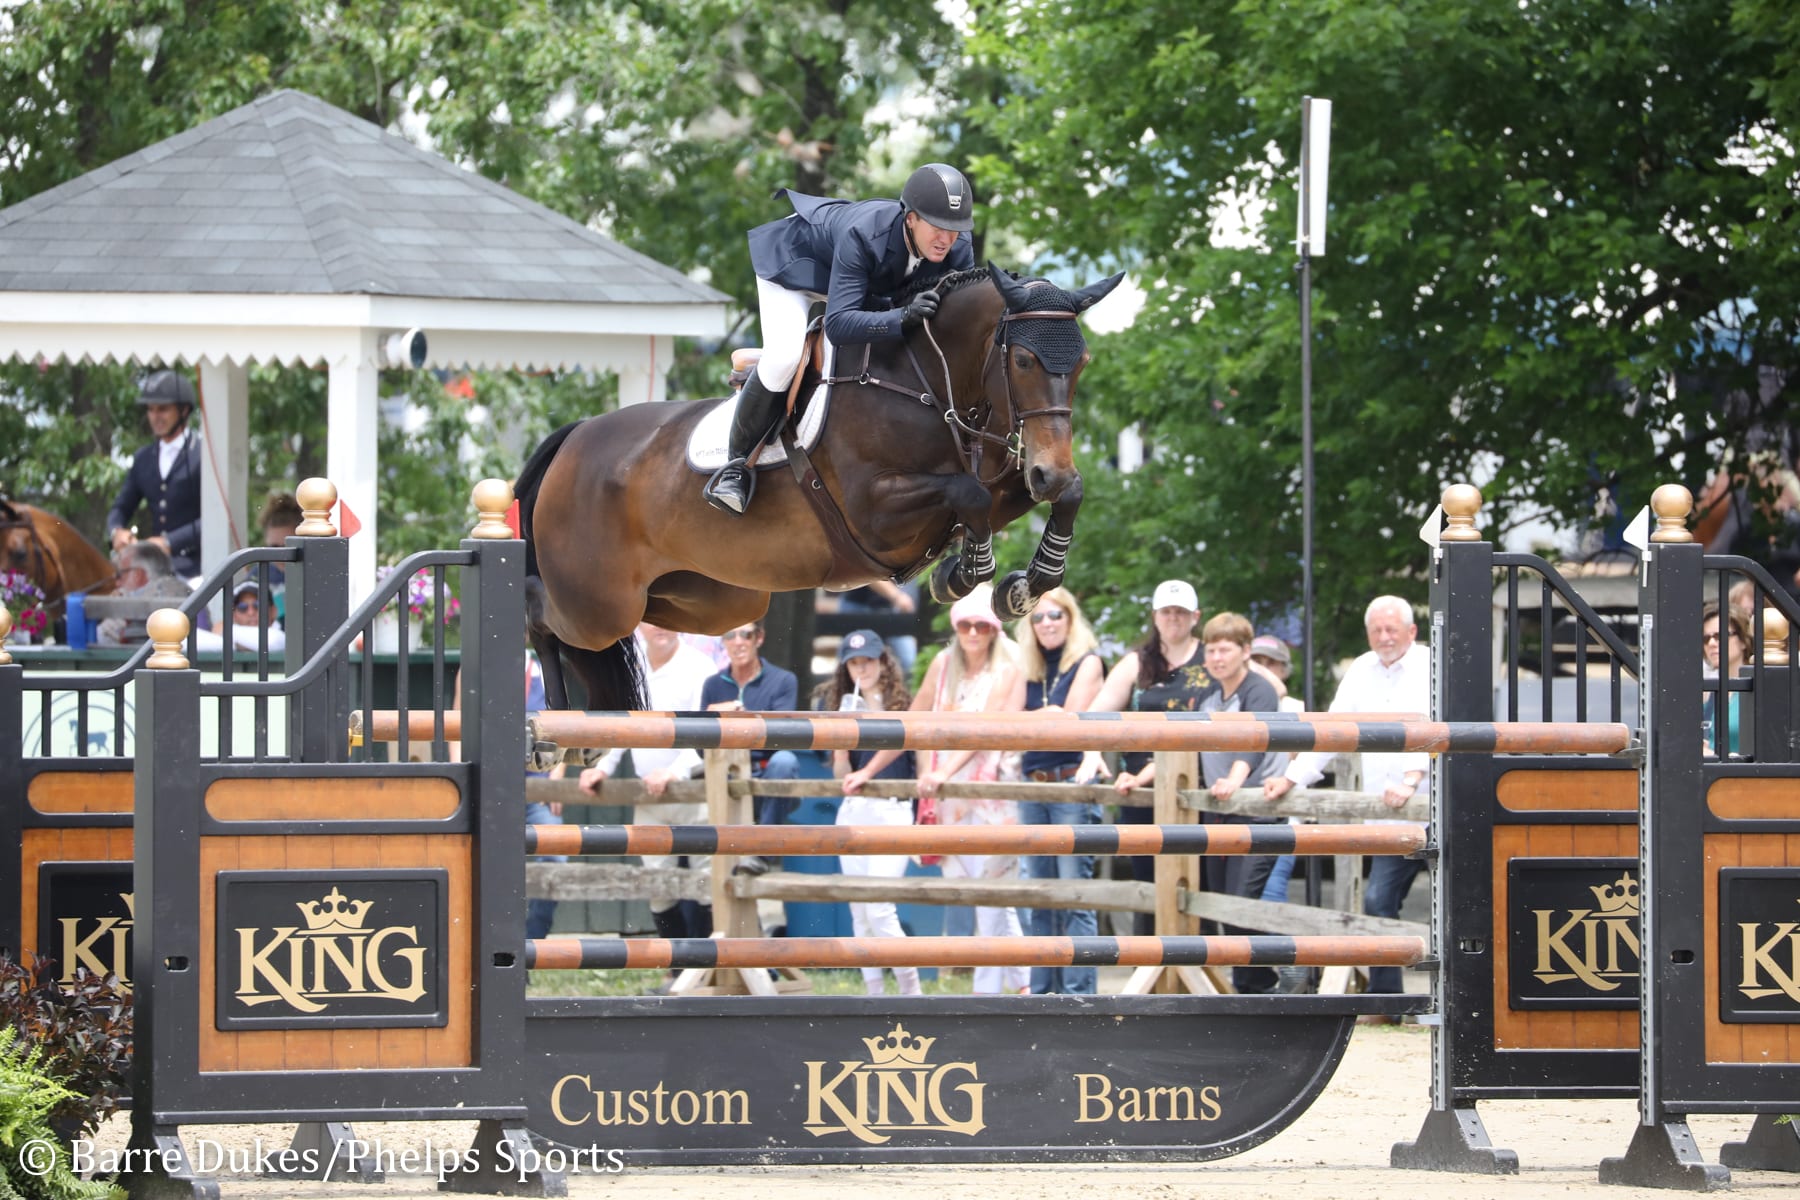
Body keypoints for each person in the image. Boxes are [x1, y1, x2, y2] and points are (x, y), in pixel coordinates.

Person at [702, 163, 978, 514]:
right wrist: (901, 317)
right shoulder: (865, 236)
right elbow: (839, 325)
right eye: (938, 228)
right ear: (911, 218)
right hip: (797, 270)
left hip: (860, 283)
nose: (946, 239)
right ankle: (735, 466)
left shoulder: (956, 247)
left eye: (955, 229)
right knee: (785, 355)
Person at [1264, 595, 1429, 1016]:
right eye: (1376, 629)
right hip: (1387, 815)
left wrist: (1413, 776)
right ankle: (1392, 1002)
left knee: (1460, 904)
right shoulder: (1360, 669)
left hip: (1436, 804)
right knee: (1378, 902)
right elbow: (1334, 730)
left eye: (1392, 628)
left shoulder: (1433, 663)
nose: (1384, 637)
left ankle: (1458, 1000)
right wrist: (1292, 775)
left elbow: (1443, 721)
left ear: (1412, 631)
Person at [1078, 580, 1214, 935]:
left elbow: (1261, 686)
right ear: (1155, 616)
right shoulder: (1136, 663)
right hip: (1139, 789)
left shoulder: (1213, 658)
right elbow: (1097, 713)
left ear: (1195, 617)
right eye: (1167, 612)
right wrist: (1092, 752)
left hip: (1199, 790)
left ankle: (1201, 965)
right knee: (1148, 881)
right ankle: (1150, 968)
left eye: (1181, 612)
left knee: (1202, 882)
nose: (1174, 619)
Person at [913, 586, 1027, 994]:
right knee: (977, 889)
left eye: (982, 624)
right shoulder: (944, 664)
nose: (973, 632)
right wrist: (928, 772)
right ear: (956, 627)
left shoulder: (1008, 668)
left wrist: (942, 772)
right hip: (948, 793)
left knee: (991, 890)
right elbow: (917, 719)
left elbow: (985, 730)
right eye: (965, 624)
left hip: (992, 791)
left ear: (995, 630)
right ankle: (1025, 981)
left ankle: (987, 988)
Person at [577, 623, 715, 952]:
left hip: (696, 788)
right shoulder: (630, 664)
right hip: (648, 792)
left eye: (670, 617)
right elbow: (621, 724)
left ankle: (706, 964)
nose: (661, 626)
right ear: (638, 624)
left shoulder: (701, 667)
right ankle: (677, 966)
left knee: (705, 879)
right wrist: (601, 767)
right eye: (652, 617)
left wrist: (673, 772)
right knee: (657, 881)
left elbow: (707, 730)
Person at [813, 630, 923, 996]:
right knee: (860, 908)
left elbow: (912, 757)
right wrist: (841, 747)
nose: (862, 668)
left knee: (879, 907)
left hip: (893, 810)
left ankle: (912, 992)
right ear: (846, 666)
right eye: (855, 662)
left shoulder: (901, 704)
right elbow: (842, 777)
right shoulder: (843, 705)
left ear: (882, 662)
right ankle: (874, 993)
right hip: (855, 810)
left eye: (869, 660)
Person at [1011, 587, 1106, 994]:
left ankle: (1078, 995)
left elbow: (1069, 724)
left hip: (1071, 782)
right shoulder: (1027, 667)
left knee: (1073, 894)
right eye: (1038, 618)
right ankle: (1043, 992)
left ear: (1070, 618)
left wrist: (1041, 718)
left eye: (1055, 616)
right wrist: (1044, 715)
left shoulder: (1088, 663)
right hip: (1033, 786)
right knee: (1040, 896)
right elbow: (1006, 723)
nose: (1047, 624)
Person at [1196, 612, 1287, 994]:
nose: (1217, 658)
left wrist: (1234, 779)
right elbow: (1180, 745)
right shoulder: (1207, 695)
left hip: (1256, 814)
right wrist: (1142, 775)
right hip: (1219, 815)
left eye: (1225, 649)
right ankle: (1254, 985)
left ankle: (1261, 985)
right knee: (1218, 907)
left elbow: (1256, 738)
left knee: (1239, 904)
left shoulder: (1259, 690)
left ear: (1245, 651)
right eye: (1211, 650)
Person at [701, 619, 801, 880]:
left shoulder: (783, 680)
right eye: (729, 634)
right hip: (726, 773)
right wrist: (714, 718)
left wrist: (735, 720)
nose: (738, 642)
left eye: (745, 634)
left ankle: (762, 851)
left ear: (759, 638)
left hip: (768, 771)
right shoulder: (712, 685)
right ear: (722, 642)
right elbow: (701, 747)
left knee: (785, 761)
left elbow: (783, 736)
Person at [106, 370, 203, 578]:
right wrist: (117, 531)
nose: (155, 417)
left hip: (196, 567)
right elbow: (121, 506)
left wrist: (169, 541)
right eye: (151, 410)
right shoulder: (143, 458)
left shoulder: (200, 455)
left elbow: (212, 518)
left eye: (163, 409)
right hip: (154, 568)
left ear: (184, 411)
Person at [95, 541, 193, 646]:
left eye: (120, 574)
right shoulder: (182, 589)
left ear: (137, 574)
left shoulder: (143, 599)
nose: (117, 582)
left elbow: (103, 636)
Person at [1702, 601, 1752, 756]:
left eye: (1720, 636)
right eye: (1706, 638)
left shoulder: (1757, 688)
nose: (1711, 643)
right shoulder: (1707, 693)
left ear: (1743, 640)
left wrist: (1713, 755)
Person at [259, 492, 303, 623]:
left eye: (286, 546)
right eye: (274, 547)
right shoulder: (258, 575)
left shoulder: (315, 575)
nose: (280, 555)